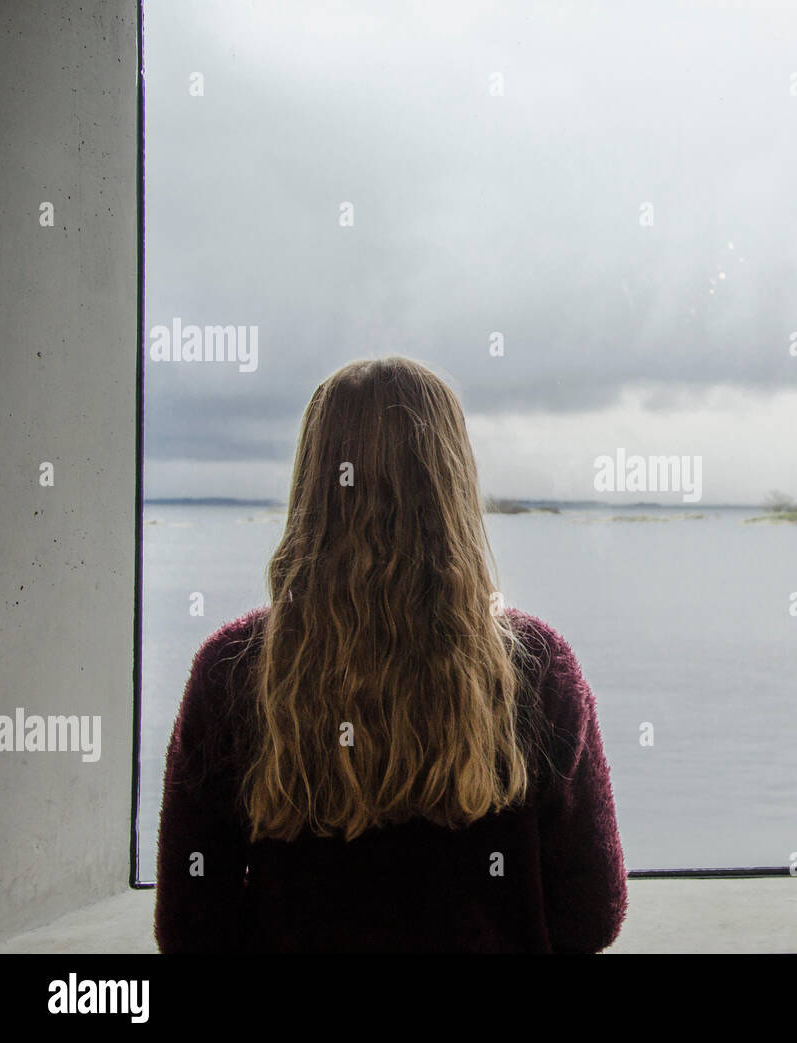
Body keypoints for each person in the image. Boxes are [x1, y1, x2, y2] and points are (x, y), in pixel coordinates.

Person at [153, 356, 628, 953]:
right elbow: (591, 914)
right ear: (452, 483)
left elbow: (189, 927)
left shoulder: (230, 669)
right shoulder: (537, 667)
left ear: (313, 479)